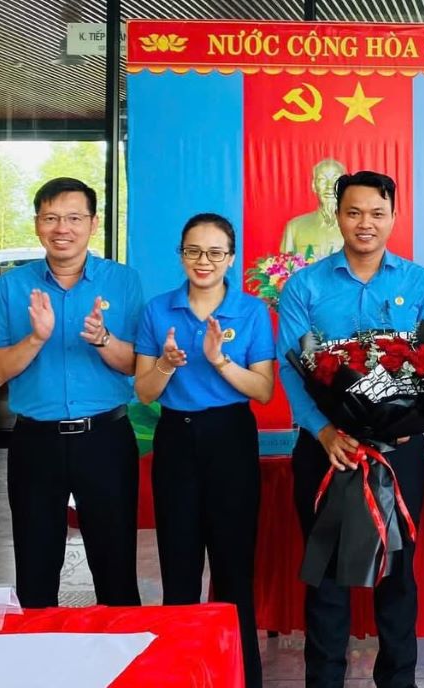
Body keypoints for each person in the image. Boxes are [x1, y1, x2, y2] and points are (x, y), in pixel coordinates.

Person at [277, 170, 424, 688]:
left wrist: (404, 422)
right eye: (354, 212)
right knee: (326, 575)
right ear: (338, 215)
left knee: (398, 573)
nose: (365, 223)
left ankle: (398, 679)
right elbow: (292, 367)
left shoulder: (419, 283)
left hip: (397, 451)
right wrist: (325, 431)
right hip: (326, 451)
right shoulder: (305, 285)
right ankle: (324, 679)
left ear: (393, 216)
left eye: (377, 213)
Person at [0, 177, 144, 608]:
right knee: (36, 574)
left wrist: (104, 338)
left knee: (116, 573)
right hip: (36, 442)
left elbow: (136, 366)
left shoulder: (123, 282)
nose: (62, 228)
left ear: (92, 224)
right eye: (51, 218)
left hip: (105, 440)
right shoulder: (11, 288)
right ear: (37, 224)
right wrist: (35, 339)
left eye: (74, 218)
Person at [133, 212, 274, 688]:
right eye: (194, 251)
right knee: (179, 567)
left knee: (234, 568)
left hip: (230, 438)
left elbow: (263, 390)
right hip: (176, 439)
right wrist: (169, 365)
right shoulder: (157, 311)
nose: (204, 261)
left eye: (215, 252)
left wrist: (219, 361)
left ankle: (240, 676)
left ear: (231, 258)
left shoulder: (251, 312)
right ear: (181, 255)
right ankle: (181, 675)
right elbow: (145, 392)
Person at [280, 158, 348, 258]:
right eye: (322, 180)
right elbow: (285, 268)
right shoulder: (294, 228)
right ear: (314, 186)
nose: (330, 186)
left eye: (335, 179)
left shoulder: (357, 227)